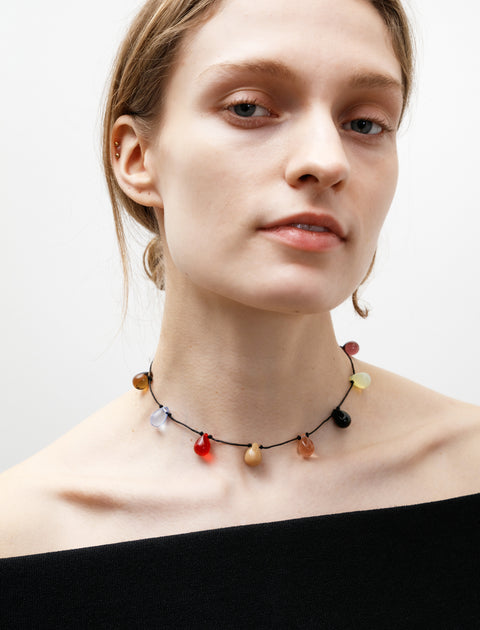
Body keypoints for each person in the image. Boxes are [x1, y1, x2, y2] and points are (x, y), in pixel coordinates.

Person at [1, 0, 479, 627]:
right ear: (137, 158)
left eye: (364, 123)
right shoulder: (24, 537)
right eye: (249, 108)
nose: (326, 160)